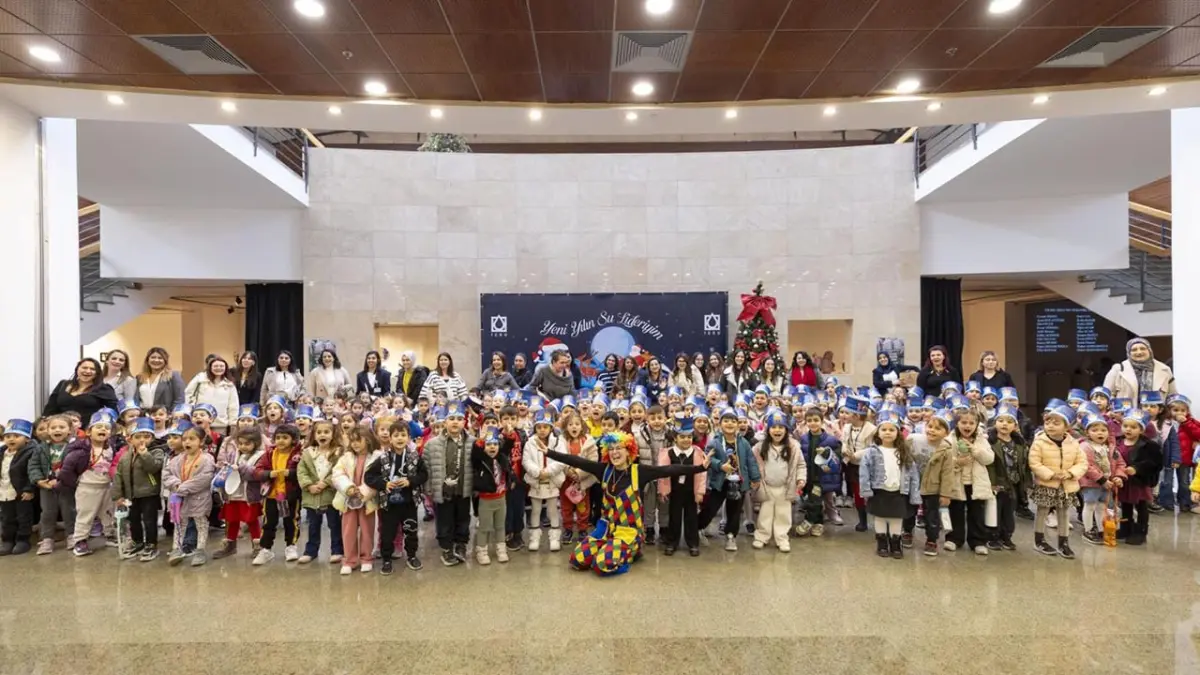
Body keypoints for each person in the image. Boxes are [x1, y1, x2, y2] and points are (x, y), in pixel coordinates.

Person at [547, 431, 707, 576]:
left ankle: (632, 552)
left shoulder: (639, 471)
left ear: (629, 451)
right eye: (611, 449)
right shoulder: (604, 470)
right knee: (578, 560)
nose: (614, 452)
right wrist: (548, 452)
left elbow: (669, 469)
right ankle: (609, 547)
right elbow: (576, 461)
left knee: (602, 565)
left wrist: (700, 467)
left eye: (619, 448)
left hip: (628, 532)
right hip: (605, 529)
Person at [366, 422, 427, 574]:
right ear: (390, 438)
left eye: (403, 435)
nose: (400, 438)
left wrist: (410, 481)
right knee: (387, 533)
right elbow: (369, 476)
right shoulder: (383, 458)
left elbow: (424, 475)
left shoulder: (414, 457)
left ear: (409, 437)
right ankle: (386, 559)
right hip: (389, 505)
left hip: (409, 503)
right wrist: (384, 484)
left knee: (411, 530)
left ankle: (411, 556)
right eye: (396, 435)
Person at [859, 411, 921, 560]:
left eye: (892, 430)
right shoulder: (871, 452)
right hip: (879, 491)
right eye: (884, 429)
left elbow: (913, 474)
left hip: (898, 492)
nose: (888, 432)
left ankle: (895, 544)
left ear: (898, 433)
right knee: (880, 518)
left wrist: (914, 494)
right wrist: (865, 489)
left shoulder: (904, 452)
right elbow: (864, 471)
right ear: (878, 433)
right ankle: (882, 543)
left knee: (896, 518)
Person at [1027, 405, 1087, 558]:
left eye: (1056, 423)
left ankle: (1063, 542)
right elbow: (1034, 462)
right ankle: (1039, 540)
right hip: (1046, 483)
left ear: (1066, 427)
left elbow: (1082, 463)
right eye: (1047, 422)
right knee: (1043, 511)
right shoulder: (1039, 442)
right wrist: (1051, 474)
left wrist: (1070, 473)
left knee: (1064, 512)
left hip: (1066, 485)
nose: (1050, 426)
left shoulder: (1073, 443)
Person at [699, 408, 761, 552]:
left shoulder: (743, 443)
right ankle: (697, 527)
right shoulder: (715, 442)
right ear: (720, 424)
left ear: (737, 424)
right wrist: (720, 466)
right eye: (726, 421)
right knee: (711, 508)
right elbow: (708, 459)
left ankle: (731, 535)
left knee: (734, 511)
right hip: (719, 482)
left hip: (738, 483)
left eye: (733, 421)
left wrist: (755, 477)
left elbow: (751, 461)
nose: (730, 424)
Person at [935, 409, 995, 556]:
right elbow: (943, 460)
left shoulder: (982, 440)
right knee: (956, 511)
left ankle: (978, 541)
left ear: (976, 425)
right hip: (957, 483)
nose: (967, 426)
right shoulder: (949, 440)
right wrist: (957, 462)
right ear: (957, 424)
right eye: (963, 422)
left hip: (976, 484)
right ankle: (954, 539)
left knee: (977, 513)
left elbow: (989, 459)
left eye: (971, 423)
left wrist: (975, 450)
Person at [423, 401, 475, 567]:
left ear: (464, 422)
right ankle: (446, 547)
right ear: (445, 422)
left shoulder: (472, 442)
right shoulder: (432, 444)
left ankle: (461, 544)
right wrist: (428, 488)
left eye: (459, 419)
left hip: (463, 489)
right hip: (443, 491)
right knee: (444, 521)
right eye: (451, 418)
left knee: (463, 519)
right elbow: (427, 468)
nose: (455, 422)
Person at [111, 417, 164, 561]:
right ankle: (137, 541)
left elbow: (153, 467)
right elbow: (119, 475)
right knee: (133, 520)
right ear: (130, 439)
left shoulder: (157, 451)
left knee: (149, 521)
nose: (142, 440)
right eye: (138, 437)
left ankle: (151, 544)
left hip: (149, 493)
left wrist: (144, 454)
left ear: (152, 438)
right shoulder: (125, 456)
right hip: (131, 494)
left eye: (146, 436)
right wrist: (118, 496)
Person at [752, 411, 805, 552]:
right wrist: (754, 480)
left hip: (785, 487)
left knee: (783, 514)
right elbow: (752, 465)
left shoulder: (794, 447)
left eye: (781, 427)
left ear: (786, 430)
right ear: (768, 430)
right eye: (773, 427)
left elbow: (800, 465)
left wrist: (800, 478)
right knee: (765, 514)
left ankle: (781, 538)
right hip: (766, 486)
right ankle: (762, 536)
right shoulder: (759, 447)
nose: (777, 430)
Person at [211, 426, 266, 561]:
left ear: (256, 443)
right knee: (231, 519)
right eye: (240, 443)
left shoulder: (261, 456)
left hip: (249, 495)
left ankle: (257, 545)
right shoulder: (233, 454)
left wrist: (240, 468)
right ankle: (230, 545)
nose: (243, 446)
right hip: (232, 493)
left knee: (252, 520)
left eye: (247, 444)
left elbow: (257, 474)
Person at [163, 425, 216, 567]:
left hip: (199, 499)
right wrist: (176, 485)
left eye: (192, 439)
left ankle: (200, 550)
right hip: (179, 500)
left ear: (201, 442)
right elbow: (166, 474)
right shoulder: (176, 460)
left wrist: (182, 488)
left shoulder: (207, 459)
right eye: (185, 439)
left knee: (201, 524)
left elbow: (204, 479)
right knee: (179, 524)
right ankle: (176, 548)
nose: (187, 442)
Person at [251, 424, 303, 565]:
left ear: (293, 440)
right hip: (271, 495)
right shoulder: (269, 453)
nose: (281, 440)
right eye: (278, 437)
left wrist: (290, 473)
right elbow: (257, 471)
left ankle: (291, 546)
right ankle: (266, 549)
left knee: (291, 521)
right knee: (268, 522)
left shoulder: (298, 455)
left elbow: (304, 472)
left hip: (290, 494)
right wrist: (268, 474)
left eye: (285, 438)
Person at [658, 416, 707, 556]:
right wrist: (663, 491)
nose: (686, 440)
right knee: (674, 517)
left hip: (691, 491)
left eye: (689, 437)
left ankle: (693, 543)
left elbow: (702, 474)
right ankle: (672, 542)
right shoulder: (668, 453)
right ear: (675, 438)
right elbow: (663, 473)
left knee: (691, 517)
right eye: (682, 437)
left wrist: (700, 492)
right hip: (675, 491)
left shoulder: (697, 453)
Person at [297, 419, 344, 564]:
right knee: (313, 525)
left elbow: (339, 470)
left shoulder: (338, 453)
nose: (322, 435)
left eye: (326, 432)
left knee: (334, 524)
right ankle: (310, 551)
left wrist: (326, 483)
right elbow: (301, 471)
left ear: (333, 434)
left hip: (330, 495)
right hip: (312, 495)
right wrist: (309, 485)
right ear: (314, 435)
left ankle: (337, 550)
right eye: (319, 432)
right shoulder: (308, 453)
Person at [1115, 409, 1163, 546]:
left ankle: (1141, 531)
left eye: (1133, 427)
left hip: (1139, 482)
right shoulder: (1117, 442)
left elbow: (1155, 463)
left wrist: (1137, 469)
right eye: (1125, 426)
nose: (1128, 429)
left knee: (1141, 506)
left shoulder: (1149, 445)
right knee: (1125, 506)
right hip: (1124, 482)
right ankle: (1126, 528)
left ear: (1141, 430)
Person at [522, 410, 566, 553]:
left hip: (552, 480)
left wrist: (548, 472)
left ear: (551, 427)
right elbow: (526, 461)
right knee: (535, 510)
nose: (542, 430)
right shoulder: (529, 443)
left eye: (545, 427)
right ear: (535, 428)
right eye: (539, 427)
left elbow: (561, 460)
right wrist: (537, 472)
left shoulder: (558, 442)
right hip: (536, 481)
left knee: (553, 510)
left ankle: (554, 537)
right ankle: (534, 537)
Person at [1077, 415, 1124, 546]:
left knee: (1101, 507)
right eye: (1095, 430)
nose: (1100, 433)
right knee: (1090, 505)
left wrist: (1119, 476)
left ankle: (1101, 530)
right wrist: (1102, 479)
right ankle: (1088, 530)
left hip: (1107, 483)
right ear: (1087, 432)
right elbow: (1087, 466)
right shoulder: (1085, 447)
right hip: (1091, 483)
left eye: (1103, 430)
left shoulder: (1111, 447)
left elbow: (1120, 463)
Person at [30, 415, 73, 555]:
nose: (57, 430)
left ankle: (72, 535)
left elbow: (77, 466)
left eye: (61, 427)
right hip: (46, 487)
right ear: (48, 430)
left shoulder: (74, 447)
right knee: (47, 513)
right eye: (53, 427)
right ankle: (47, 538)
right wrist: (38, 480)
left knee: (70, 511)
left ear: (69, 430)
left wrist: (64, 480)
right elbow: (33, 465)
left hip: (66, 486)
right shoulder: (40, 448)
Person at [985, 406, 1026, 552]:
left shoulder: (1019, 442)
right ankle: (992, 537)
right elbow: (989, 465)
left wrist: (1025, 482)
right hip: (997, 482)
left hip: (1013, 483)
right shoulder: (990, 441)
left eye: (1009, 421)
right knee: (994, 511)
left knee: (1009, 512)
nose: (1004, 424)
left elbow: (1023, 464)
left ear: (1015, 425)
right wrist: (992, 483)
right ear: (995, 423)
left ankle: (1006, 536)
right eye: (1001, 420)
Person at [471, 428, 511, 566]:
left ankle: (501, 549)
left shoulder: (502, 458)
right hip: (486, 500)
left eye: (495, 444)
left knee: (500, 526)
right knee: (484, 527)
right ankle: (481, 550)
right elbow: (475, 454)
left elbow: (509, 445)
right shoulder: (481, 460)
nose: (492, 447)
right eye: (488, 444)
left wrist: (509, 434)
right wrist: (480, 440)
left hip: (501, 499)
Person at [559, 412, 598, 544]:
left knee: (583, 506)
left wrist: (579, 473)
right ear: (566, 427)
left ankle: (582, 529)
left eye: (577, 424)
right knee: (566, 507)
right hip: (566, 481)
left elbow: (593, 460)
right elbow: (559, 458)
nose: (574, 427)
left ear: (582, 426)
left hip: (582, 481)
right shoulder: (561, 441)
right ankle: (568, 529)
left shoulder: (588, 442)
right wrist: (568, 471)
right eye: (570, 424)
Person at [0, 419, 37, 556]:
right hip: (4, 491)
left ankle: (23, 540)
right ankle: (8, 540)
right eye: (8, 436)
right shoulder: (2, 452)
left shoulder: (31, 452)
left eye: (16, 436)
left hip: (22, 492)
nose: (11, 439)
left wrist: (29, 489)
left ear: (27, 439)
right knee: (7, 517)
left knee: (23, 517)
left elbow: (32, 472)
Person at [43, 358, 119, 423]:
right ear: (77, 369)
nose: (88, 371)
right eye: (84, 368)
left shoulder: (104, 389)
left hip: (89, 430)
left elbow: (114, 412)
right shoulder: (63, 384)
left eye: (92, 369)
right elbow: (50, 408)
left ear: (97, 373)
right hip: (62, 429)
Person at [184, 356, 239, 435]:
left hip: (220, 424)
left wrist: (233, 423)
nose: (218, 368)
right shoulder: (200, 379)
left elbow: (233, 405)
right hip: (200, 422)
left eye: (221, 366)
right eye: (215, 366)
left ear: (225, 368)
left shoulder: (229, 384)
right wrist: (192, 409)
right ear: (210, 367)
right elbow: (188, 393)